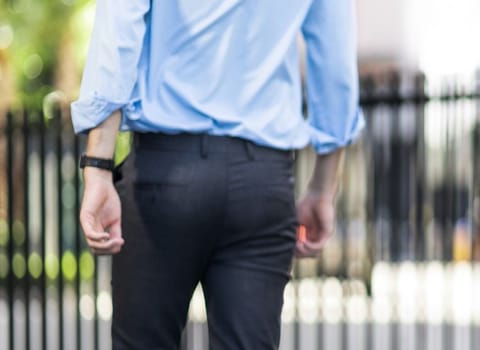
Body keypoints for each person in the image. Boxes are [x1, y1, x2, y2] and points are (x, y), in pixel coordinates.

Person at [71, 0, 364, 348]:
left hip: (165, 175)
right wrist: (323, 187)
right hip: (263, 181)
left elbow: (120, 24)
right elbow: (335, 57)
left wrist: (99, 164)